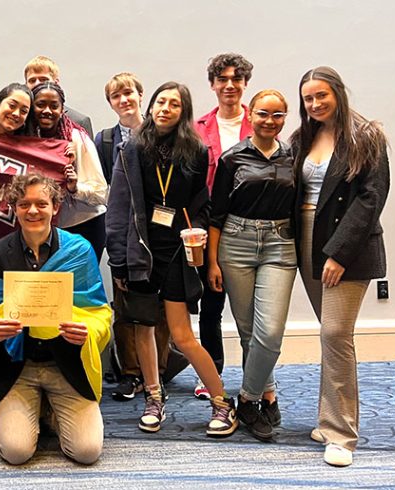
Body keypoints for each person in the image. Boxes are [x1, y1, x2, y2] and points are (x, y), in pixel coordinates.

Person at [105, 82, 237, 436]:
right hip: (141, 252)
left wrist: (197, 233)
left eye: (174, 104)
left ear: (184, 112)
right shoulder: (132, 149)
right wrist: (119, 262)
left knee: (181, 335)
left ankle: (222, 403)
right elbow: (117, 208)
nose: (165, 108)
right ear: (151, 107)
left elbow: (202, 201)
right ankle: (153, 397)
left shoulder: (195, 150)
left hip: (177, 251)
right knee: (144, 329)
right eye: (160, 101)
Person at [290, 66, 390, 467]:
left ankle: (340, 434)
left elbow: (371, 199)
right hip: (305, 238)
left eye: (321, 96)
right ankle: (327, 417)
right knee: (329, 334)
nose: (314, 104)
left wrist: (338, 253)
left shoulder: (366, 136)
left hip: (344, 246)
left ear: (338, 93)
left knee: (335, 333)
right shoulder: (303, 137)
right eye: (308, 98)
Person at [0, 174, 112, 465]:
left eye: (41, 203)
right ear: (14, 208)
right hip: (18, 365)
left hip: (66, 364)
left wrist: (86, 330)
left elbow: (99, 310)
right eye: (24, 204)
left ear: (55, 207)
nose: (33, 211)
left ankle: (48, 409)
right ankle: (37, 408)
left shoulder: (78, 250)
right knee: (16, 453)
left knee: (87, 452)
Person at [206, 89, 295, 442]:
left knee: (269, 331)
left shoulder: (293, 156)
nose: (269, 121)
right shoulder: (232, 158)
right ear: (251, 114)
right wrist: (212, 261)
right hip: (236, 241)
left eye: (277, 115)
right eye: (262, 114)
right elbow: (216, 215)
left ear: (285, 118)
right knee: (248, 332)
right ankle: (268, 393)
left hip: (280, 243)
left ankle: (247, 399)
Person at [94, 72, 174, 401]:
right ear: (111, 103)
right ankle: (130, 372)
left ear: (142, 96)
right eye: (116, 96)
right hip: (124, 231)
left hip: (161, 231)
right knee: (126, 304)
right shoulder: (106, 140)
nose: (124, 100)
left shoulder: (164, 134)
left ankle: (160, 368)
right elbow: (104, 189)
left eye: (129, 93)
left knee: (164, 305)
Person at [191, 53, 255, 399]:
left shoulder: (260, 122)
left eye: (236, 79)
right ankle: (210, 373)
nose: (229, 86)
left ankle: (255, 377)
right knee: (212, 306)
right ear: (213, 84)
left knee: (251, 311)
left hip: (250, 223)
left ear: (245, 84)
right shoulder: (198, 129)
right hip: (211, 225)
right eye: (222, 79)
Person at [30, 82, 108, 260]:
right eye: (40, 104)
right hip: (43, 226)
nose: (47, 110)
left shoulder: (77, 138)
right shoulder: (25, 139)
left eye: (54, 105)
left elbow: (101, 193)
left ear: (62, 109)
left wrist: (75, 188)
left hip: (83, 225)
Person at [23, 56, 93, 135]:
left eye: (43, 79)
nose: (37, 84)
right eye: (32, 81)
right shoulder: (20, 118)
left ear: (56, 83)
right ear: (26, 85)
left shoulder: (79, 121)